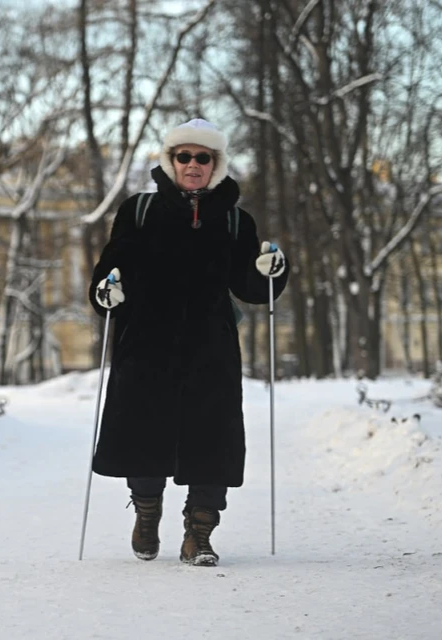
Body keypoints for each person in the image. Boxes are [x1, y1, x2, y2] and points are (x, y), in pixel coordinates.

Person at [88, 118, 288, 566]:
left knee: (212, 439)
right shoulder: (138, 212)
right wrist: (105, 292)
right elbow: (110, 273)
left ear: (215, 164)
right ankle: (146, 511)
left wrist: (270, 271)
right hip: (146, 343)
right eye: (184, 156)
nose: (193, 165)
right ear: (170, 160)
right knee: (142, 433)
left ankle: (199, 533)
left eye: (203, 157)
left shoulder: (236, 220)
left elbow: (252, 289)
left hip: (209, 348)